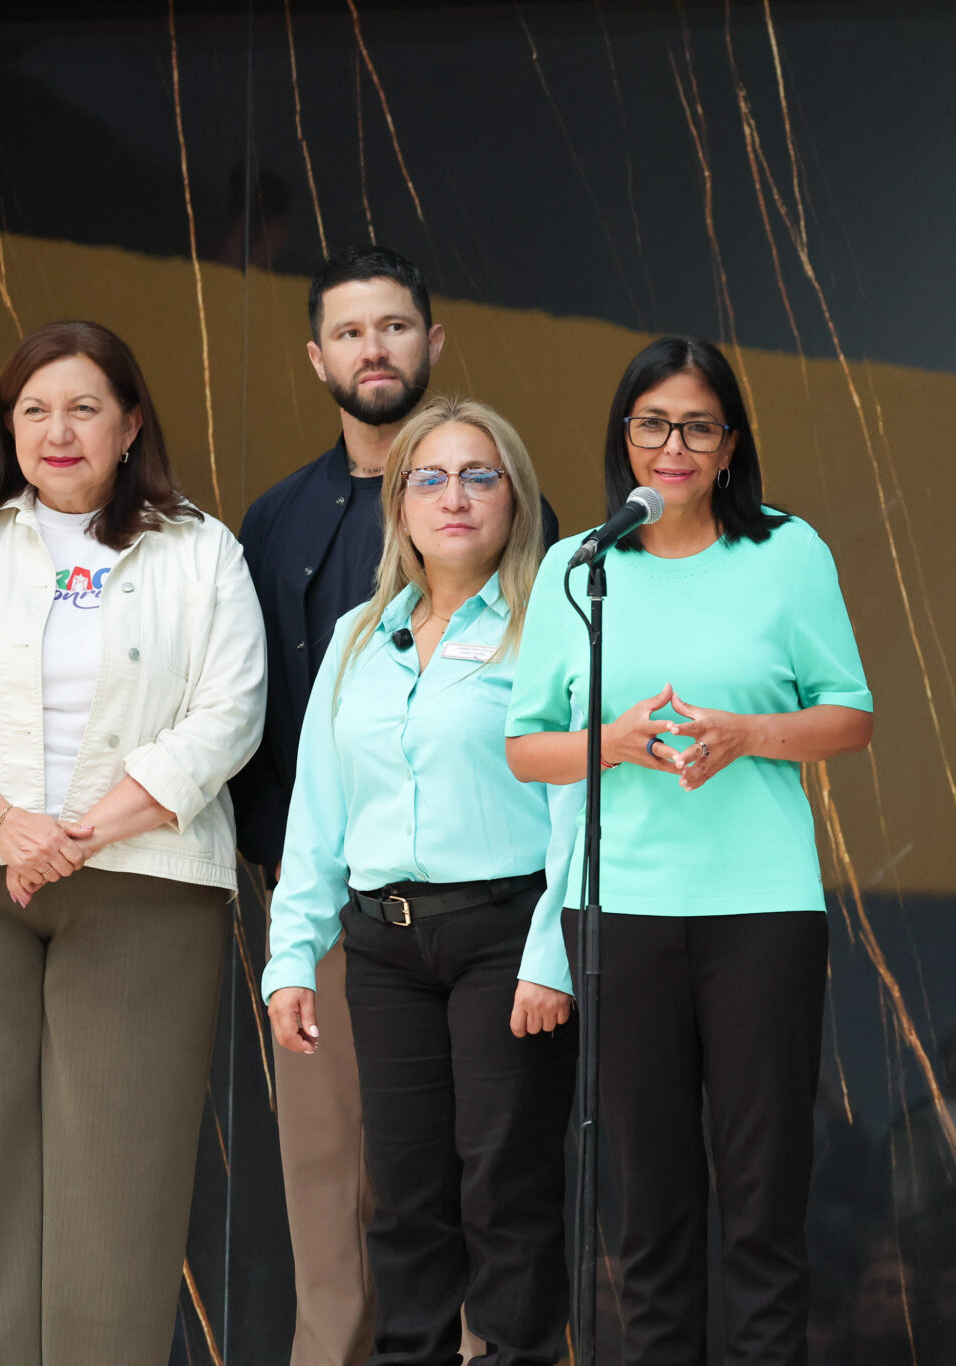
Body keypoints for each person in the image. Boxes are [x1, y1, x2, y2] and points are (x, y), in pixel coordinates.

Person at [0, 320, 266, 1365]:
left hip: (143, 883)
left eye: (84, 408)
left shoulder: (202, 553)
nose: (58, 431)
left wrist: (79, 832)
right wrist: (6, 824)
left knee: (119, 1189)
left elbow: (228, 715)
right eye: (34, 410)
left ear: (130, 425)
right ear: (9, 428)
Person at [507, 335, 874, 1366]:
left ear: (730, 445)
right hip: (620, 911)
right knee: (650, 1209)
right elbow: (526, 747)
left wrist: (748, 733)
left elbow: (850, 716)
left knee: (763, 1201)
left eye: (697, 428)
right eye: (653, 425)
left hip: (761, 912)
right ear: (623, 436)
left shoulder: (786, 552)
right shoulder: (579, 567)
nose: (672, 448)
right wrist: (613, 742)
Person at [232, 244, 558, 1365]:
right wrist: (290, 947)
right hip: (364, 926)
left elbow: (575, 791)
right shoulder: (330, 600)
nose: (453, 497)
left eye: (478, 478)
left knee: (500, 1185)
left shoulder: (547, 609)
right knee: (378, 1192)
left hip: (504, 925)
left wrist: (553, 945)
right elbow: (306, 792)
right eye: (429, 480)